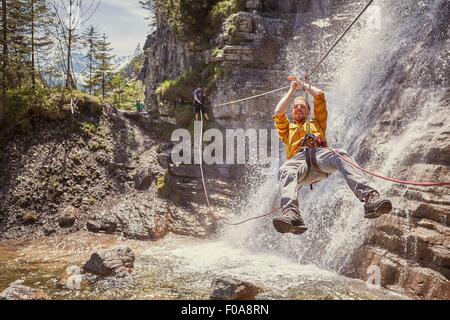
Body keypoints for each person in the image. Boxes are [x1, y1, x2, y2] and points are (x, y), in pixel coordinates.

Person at [272, 75, 392, 235]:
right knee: (285, 169)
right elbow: (278, 112)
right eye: (295, 107)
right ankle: (292, 214)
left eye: (302, 106)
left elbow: (319, 96)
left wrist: (304, 85)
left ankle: (369, 199)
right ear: (292, 112)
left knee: (340, 153)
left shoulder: (317, 123)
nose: (299, 108)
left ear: (308, 111)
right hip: (299, 162)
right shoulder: (287, 130)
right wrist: (291, 90)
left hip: (320, 156)